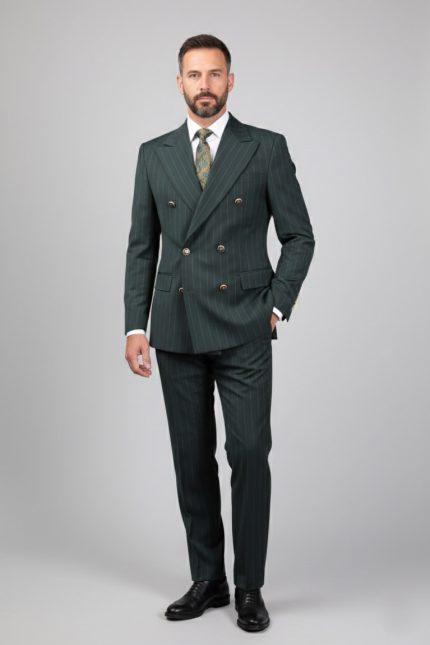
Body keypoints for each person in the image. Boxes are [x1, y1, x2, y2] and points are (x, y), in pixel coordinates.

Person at [124, 33, 315, 632]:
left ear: (231, 81)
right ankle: (208, 579)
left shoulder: (265, 148)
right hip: (176, 325)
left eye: (214, 74)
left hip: (244, 326)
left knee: (249, 452)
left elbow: (299, 236)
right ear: (179, 82)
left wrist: (275, 308)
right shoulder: (154, 154)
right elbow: (141, 247)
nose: (203, 85)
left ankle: (249, 585)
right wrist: (134, 326)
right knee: (191, 457)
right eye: (193, 74)